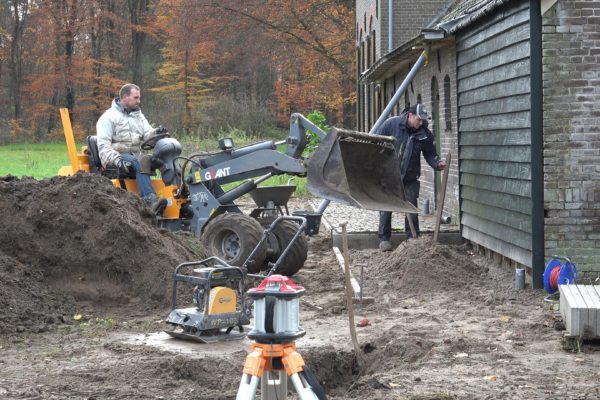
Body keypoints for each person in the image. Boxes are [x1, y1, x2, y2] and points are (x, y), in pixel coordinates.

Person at [376, 103, 446, 251]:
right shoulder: (392, 124)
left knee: (412, 206)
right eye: (419, 119)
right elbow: (376, 141)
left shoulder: (424, 134)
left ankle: (412, 239)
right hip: (390, 175)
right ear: (411, 115)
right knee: (386, 206)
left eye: (423, 120)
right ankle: (384, 239)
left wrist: (437, 163)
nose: (421, 123)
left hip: (410, 177)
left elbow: (430, 154)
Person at [97, 83, 168, 215]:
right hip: (116, 156)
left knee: (161, 161)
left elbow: (147, 134)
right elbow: (103, 147)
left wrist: (157, 132)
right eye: (136, 98)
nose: (138, 101)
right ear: (125, 97)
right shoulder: (108, 118)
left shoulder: (138, 116)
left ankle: (176, 194)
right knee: (141, 161)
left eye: (139, 98)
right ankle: (149, 200)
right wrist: (118, 160)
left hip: (135, 156)